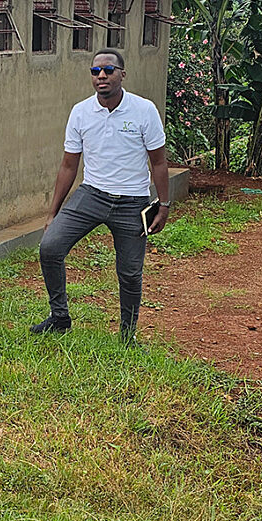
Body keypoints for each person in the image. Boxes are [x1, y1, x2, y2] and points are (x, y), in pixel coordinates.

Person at [31, 48, 170, 340]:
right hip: (92, 195)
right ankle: (59, 317)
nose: (101, 76)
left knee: (130, 272)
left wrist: (164, 205)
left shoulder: (144, 110)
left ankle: (127, 335)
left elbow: (158, 161)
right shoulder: (81, 112)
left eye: (108, 70)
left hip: (133, 201)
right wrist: (53, 212)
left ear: (122, 74)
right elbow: (69, 165)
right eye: (96, 72)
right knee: (50, 247)